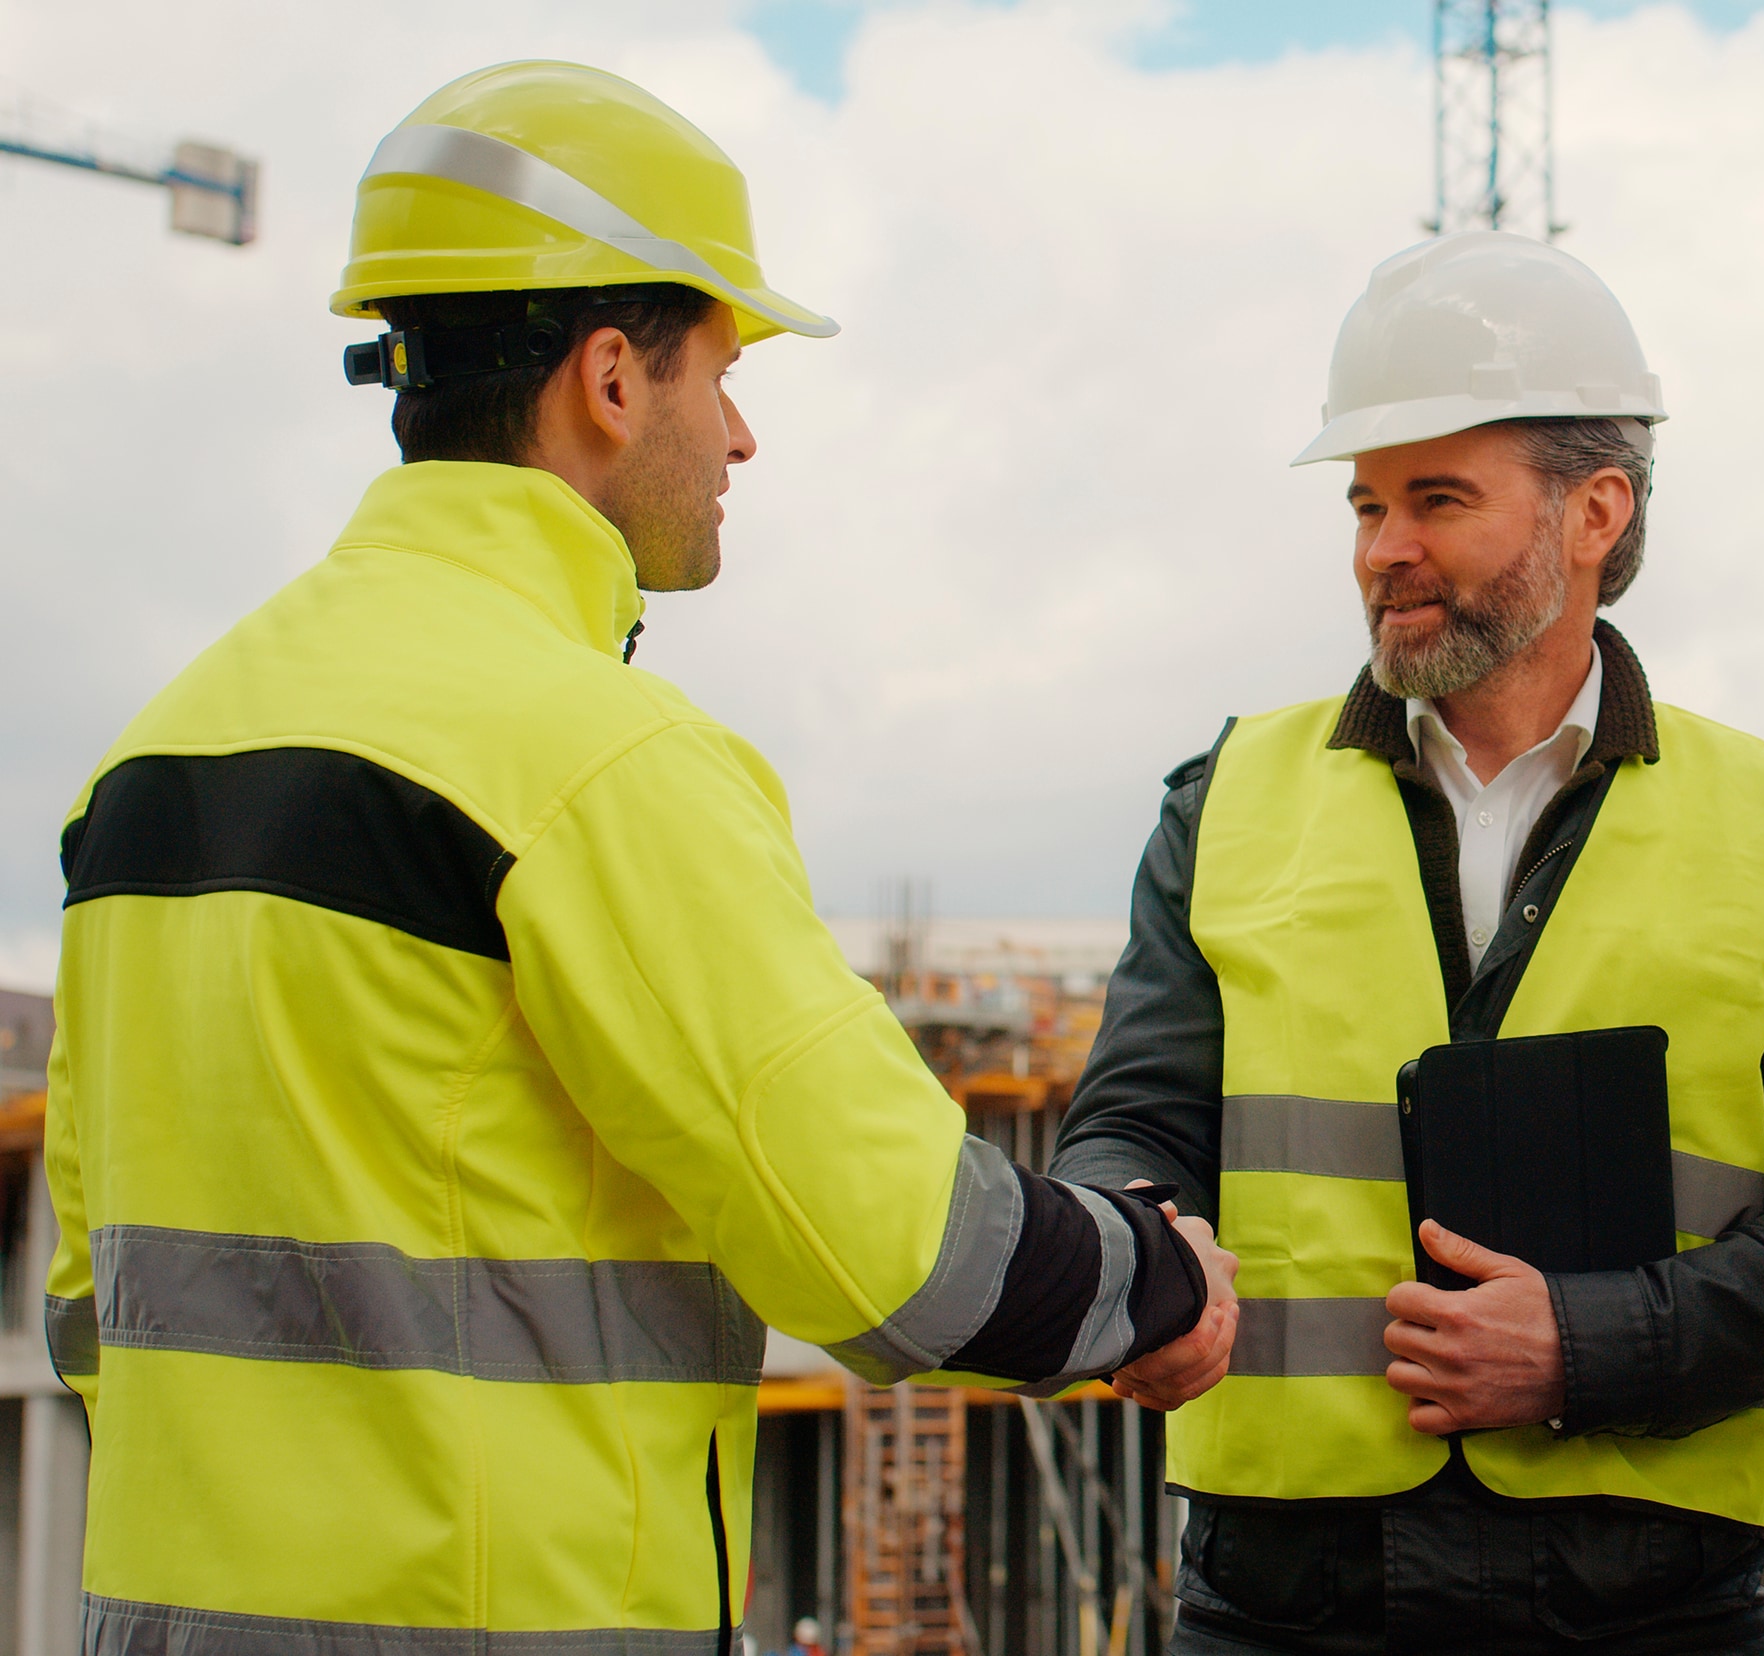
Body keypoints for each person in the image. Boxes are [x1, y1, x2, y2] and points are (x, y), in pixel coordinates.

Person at [43, 61, 1235, 1652]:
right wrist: (1153, 1278)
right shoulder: (599, 760)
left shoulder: (153, 754)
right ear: (610, 378)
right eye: (721, 373)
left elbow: (89, 1311)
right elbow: (883, 1245)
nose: (739, 436)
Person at [1052, 230, 1764, 1655]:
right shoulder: (1226, 803)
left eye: (1438, 499)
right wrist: (1136, 1253)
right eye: (1364, 505)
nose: (1383, 551)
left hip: (1642, 1606)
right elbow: (1134, 1124)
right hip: (1285, 1604)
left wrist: (1601, 1345)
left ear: (1594, 510)